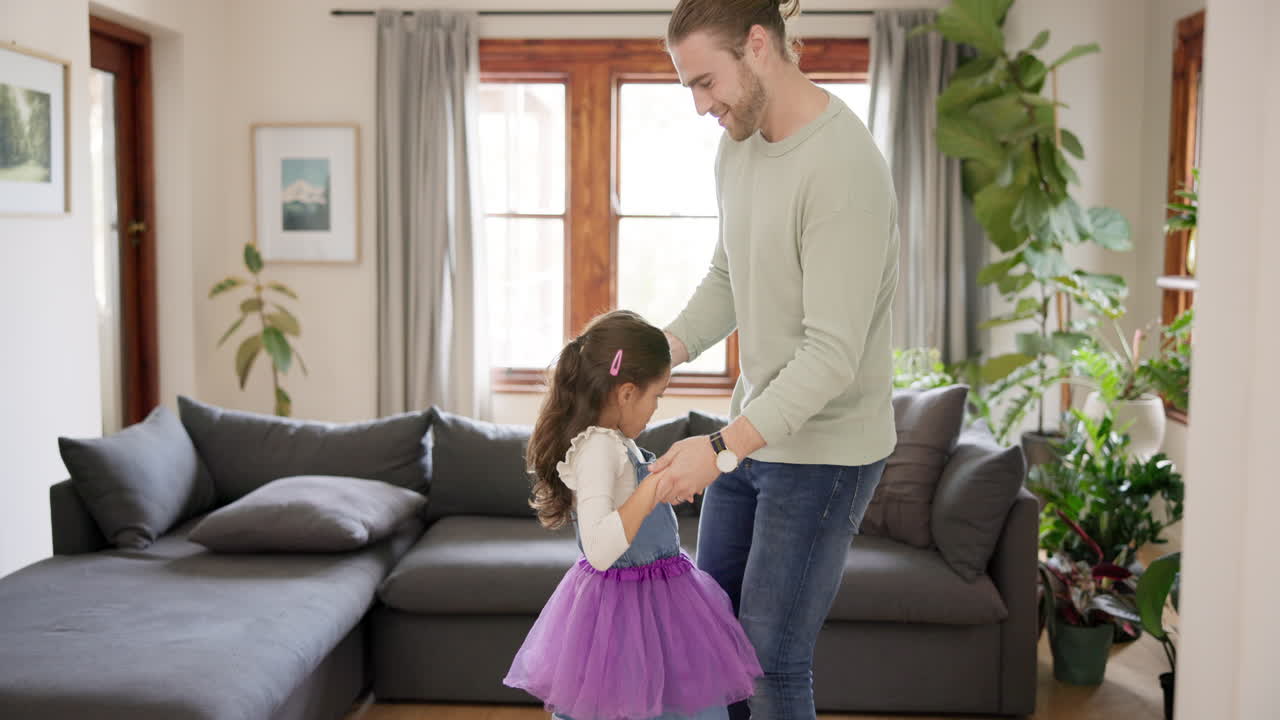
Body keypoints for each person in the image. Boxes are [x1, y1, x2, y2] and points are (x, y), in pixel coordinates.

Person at [648, 1, 900, 717]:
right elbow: (730, 276)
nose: (701, 107)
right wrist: (653, 354)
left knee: (768, 660)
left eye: (705, 82)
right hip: (757, 430)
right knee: (715, 644)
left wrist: (719, 449)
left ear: (757, 45)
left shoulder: (843, 166)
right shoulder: (739, 144)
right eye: (689, 89)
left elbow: (830, 358)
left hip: (827, 451)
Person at [503, 310, 763, 720]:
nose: (656, 408)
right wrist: (651, 489)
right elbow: (601, 550)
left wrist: (658, 495)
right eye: (656, 396)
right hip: (624, 613)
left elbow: (628, 513)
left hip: (662, 600)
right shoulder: (597, 449)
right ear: (626, 393)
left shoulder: (618, 444)